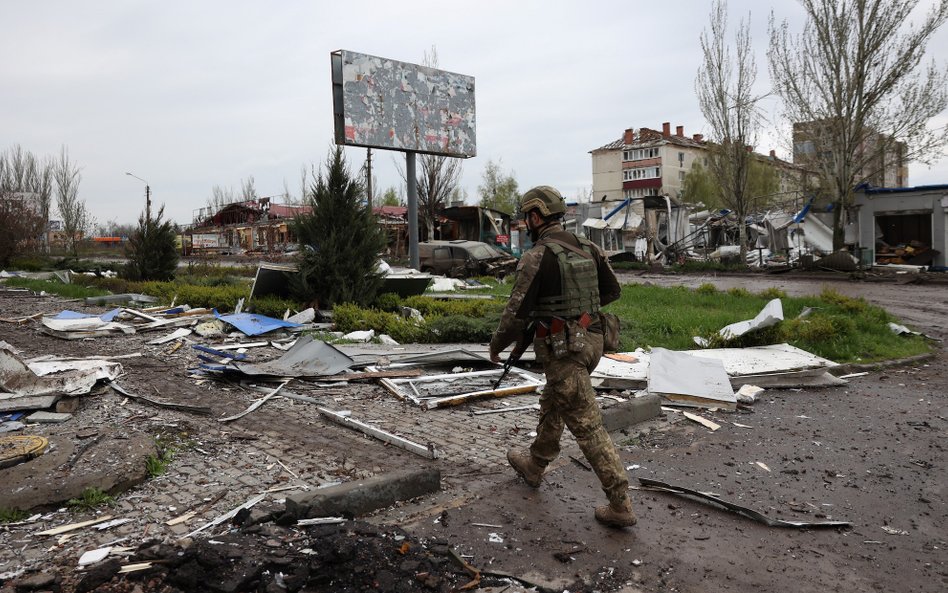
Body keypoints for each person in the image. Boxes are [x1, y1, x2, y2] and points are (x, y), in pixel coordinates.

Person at [489, 185, 636, 528]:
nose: (525, 225)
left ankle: (620, 502)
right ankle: (535, 464)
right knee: (554, 400)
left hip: (564, 350)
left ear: (537, 216)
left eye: (527, 218)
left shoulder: (536, 257)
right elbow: (612, 291)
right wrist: (578, 309)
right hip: (594, 340)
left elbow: (514, 315)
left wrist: (497, 345)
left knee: (587, 426)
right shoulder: (589, 247)